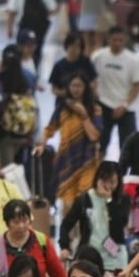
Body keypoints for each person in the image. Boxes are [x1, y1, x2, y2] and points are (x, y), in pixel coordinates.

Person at [36, 71, 102, 212]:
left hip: (88, 161)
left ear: (85, 88)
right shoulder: (62, 108)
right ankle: (68, 234)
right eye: (73, 85)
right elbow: (49, 129)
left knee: (84, 201)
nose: (76, 89)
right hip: (66, 161)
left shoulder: (95, 109)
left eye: (79, 85)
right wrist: (42, 145)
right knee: (67, 203)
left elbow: (94, 136)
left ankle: (82, 233)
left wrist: (83, 114)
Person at [0, 199, 68, 277]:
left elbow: (59, 276)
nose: (21, 226)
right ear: (7, 223)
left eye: (25, 220)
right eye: (16, 222)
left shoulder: (42, 241)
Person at [58, 161, 130, 271]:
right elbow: (66, 224)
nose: (108, 186)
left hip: (115, 257)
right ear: (97, 178)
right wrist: (64, 246)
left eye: (112, 182)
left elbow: (120, 223)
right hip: (90, 257)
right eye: (104, 180)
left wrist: (109, 201)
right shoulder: (84, 200)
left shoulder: (122, 199)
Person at [90, 27, 139, 155]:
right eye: (114, 40)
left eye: (120, 40)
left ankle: (123, 173)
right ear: (108, 40)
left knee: (128, 146)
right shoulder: (98, 56)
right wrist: (94, 92)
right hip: (104, 105)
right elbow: (91, 77)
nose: (117, 43)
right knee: (100, 143)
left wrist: (125, 104)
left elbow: (137, 85)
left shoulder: (133, 60)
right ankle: (97, 171)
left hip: (126, 107)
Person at [5, 0, 55, 66]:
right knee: (37, 51)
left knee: (21, 52)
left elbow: (11, 11)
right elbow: (52, 9)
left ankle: (21, 75)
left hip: (23, 25)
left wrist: (9, 28)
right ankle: (34, 73)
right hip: (40, 27)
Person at [48, 33, 97, 98]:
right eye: (71, 45)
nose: (74, 49)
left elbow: (94, 82)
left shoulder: (86, 62)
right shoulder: (58, 65)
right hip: (65, 100)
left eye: (77, 46)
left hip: (84, 100)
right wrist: (68, 92)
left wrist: (83, 92)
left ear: (81, 49)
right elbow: (54, 89)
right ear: (66, 46)